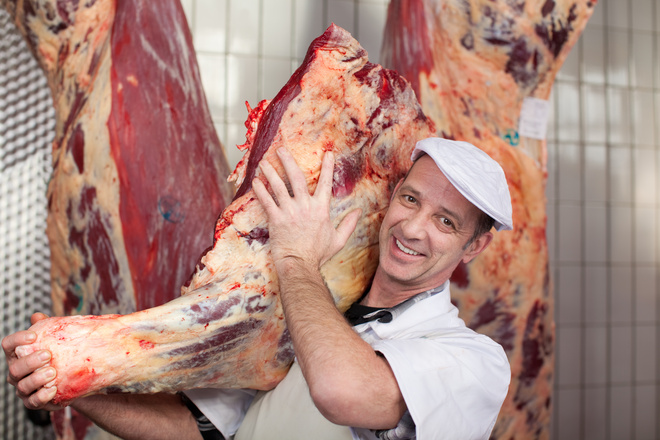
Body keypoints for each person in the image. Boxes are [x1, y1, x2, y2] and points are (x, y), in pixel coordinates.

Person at [4, 137, 512, 440]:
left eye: (445, 221)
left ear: (472, 248)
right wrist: (71, 387)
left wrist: (293, 256)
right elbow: (192, 431)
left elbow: (343, 391)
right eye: (410, 198)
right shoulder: (306, 309)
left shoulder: (472, 360)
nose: (412, 227)